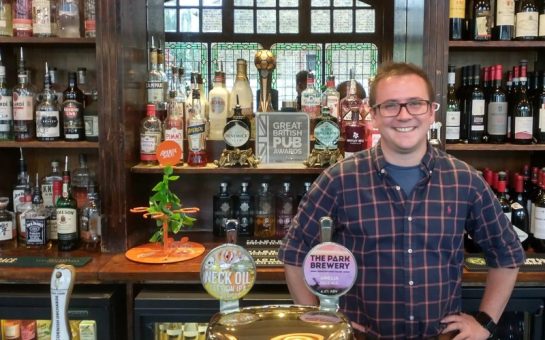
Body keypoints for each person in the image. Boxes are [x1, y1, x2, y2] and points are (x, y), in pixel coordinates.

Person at [278, 62, 525, 339]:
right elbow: (294, 253)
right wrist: (319, 323)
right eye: (390, 105)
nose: (404, 115)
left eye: (416, 104)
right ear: (373, 116)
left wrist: (485, 323)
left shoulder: (464, 180)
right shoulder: (339, 180)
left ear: (432, 112)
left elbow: (507, 254)